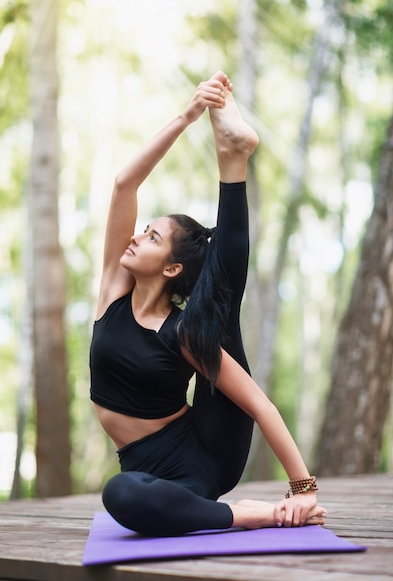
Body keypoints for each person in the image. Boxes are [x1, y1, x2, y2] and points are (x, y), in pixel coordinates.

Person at [90, 71, 327, 537]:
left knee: (219, 309)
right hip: (148, 468)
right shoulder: (113, 291)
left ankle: (256, 514)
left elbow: (259, 405)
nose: (136, 237)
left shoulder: (184, 332)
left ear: (173, 268)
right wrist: (187, 115)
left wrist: (304, 487)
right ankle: (233, 155)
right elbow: (123, 185)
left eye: (152, 235)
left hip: (206, 456)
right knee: (125, 490)